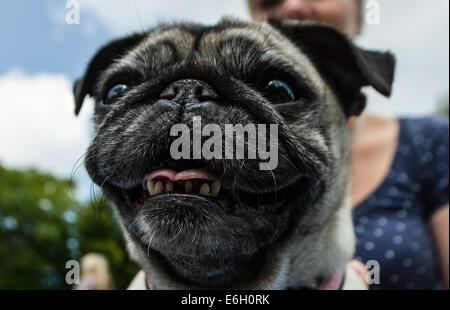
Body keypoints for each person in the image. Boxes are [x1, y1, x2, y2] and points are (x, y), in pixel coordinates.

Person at [247, 0, 449, 290]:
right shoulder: (222, 157)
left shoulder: (430, 144)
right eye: (270, 0)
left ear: (361, 12)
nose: (292, 6)